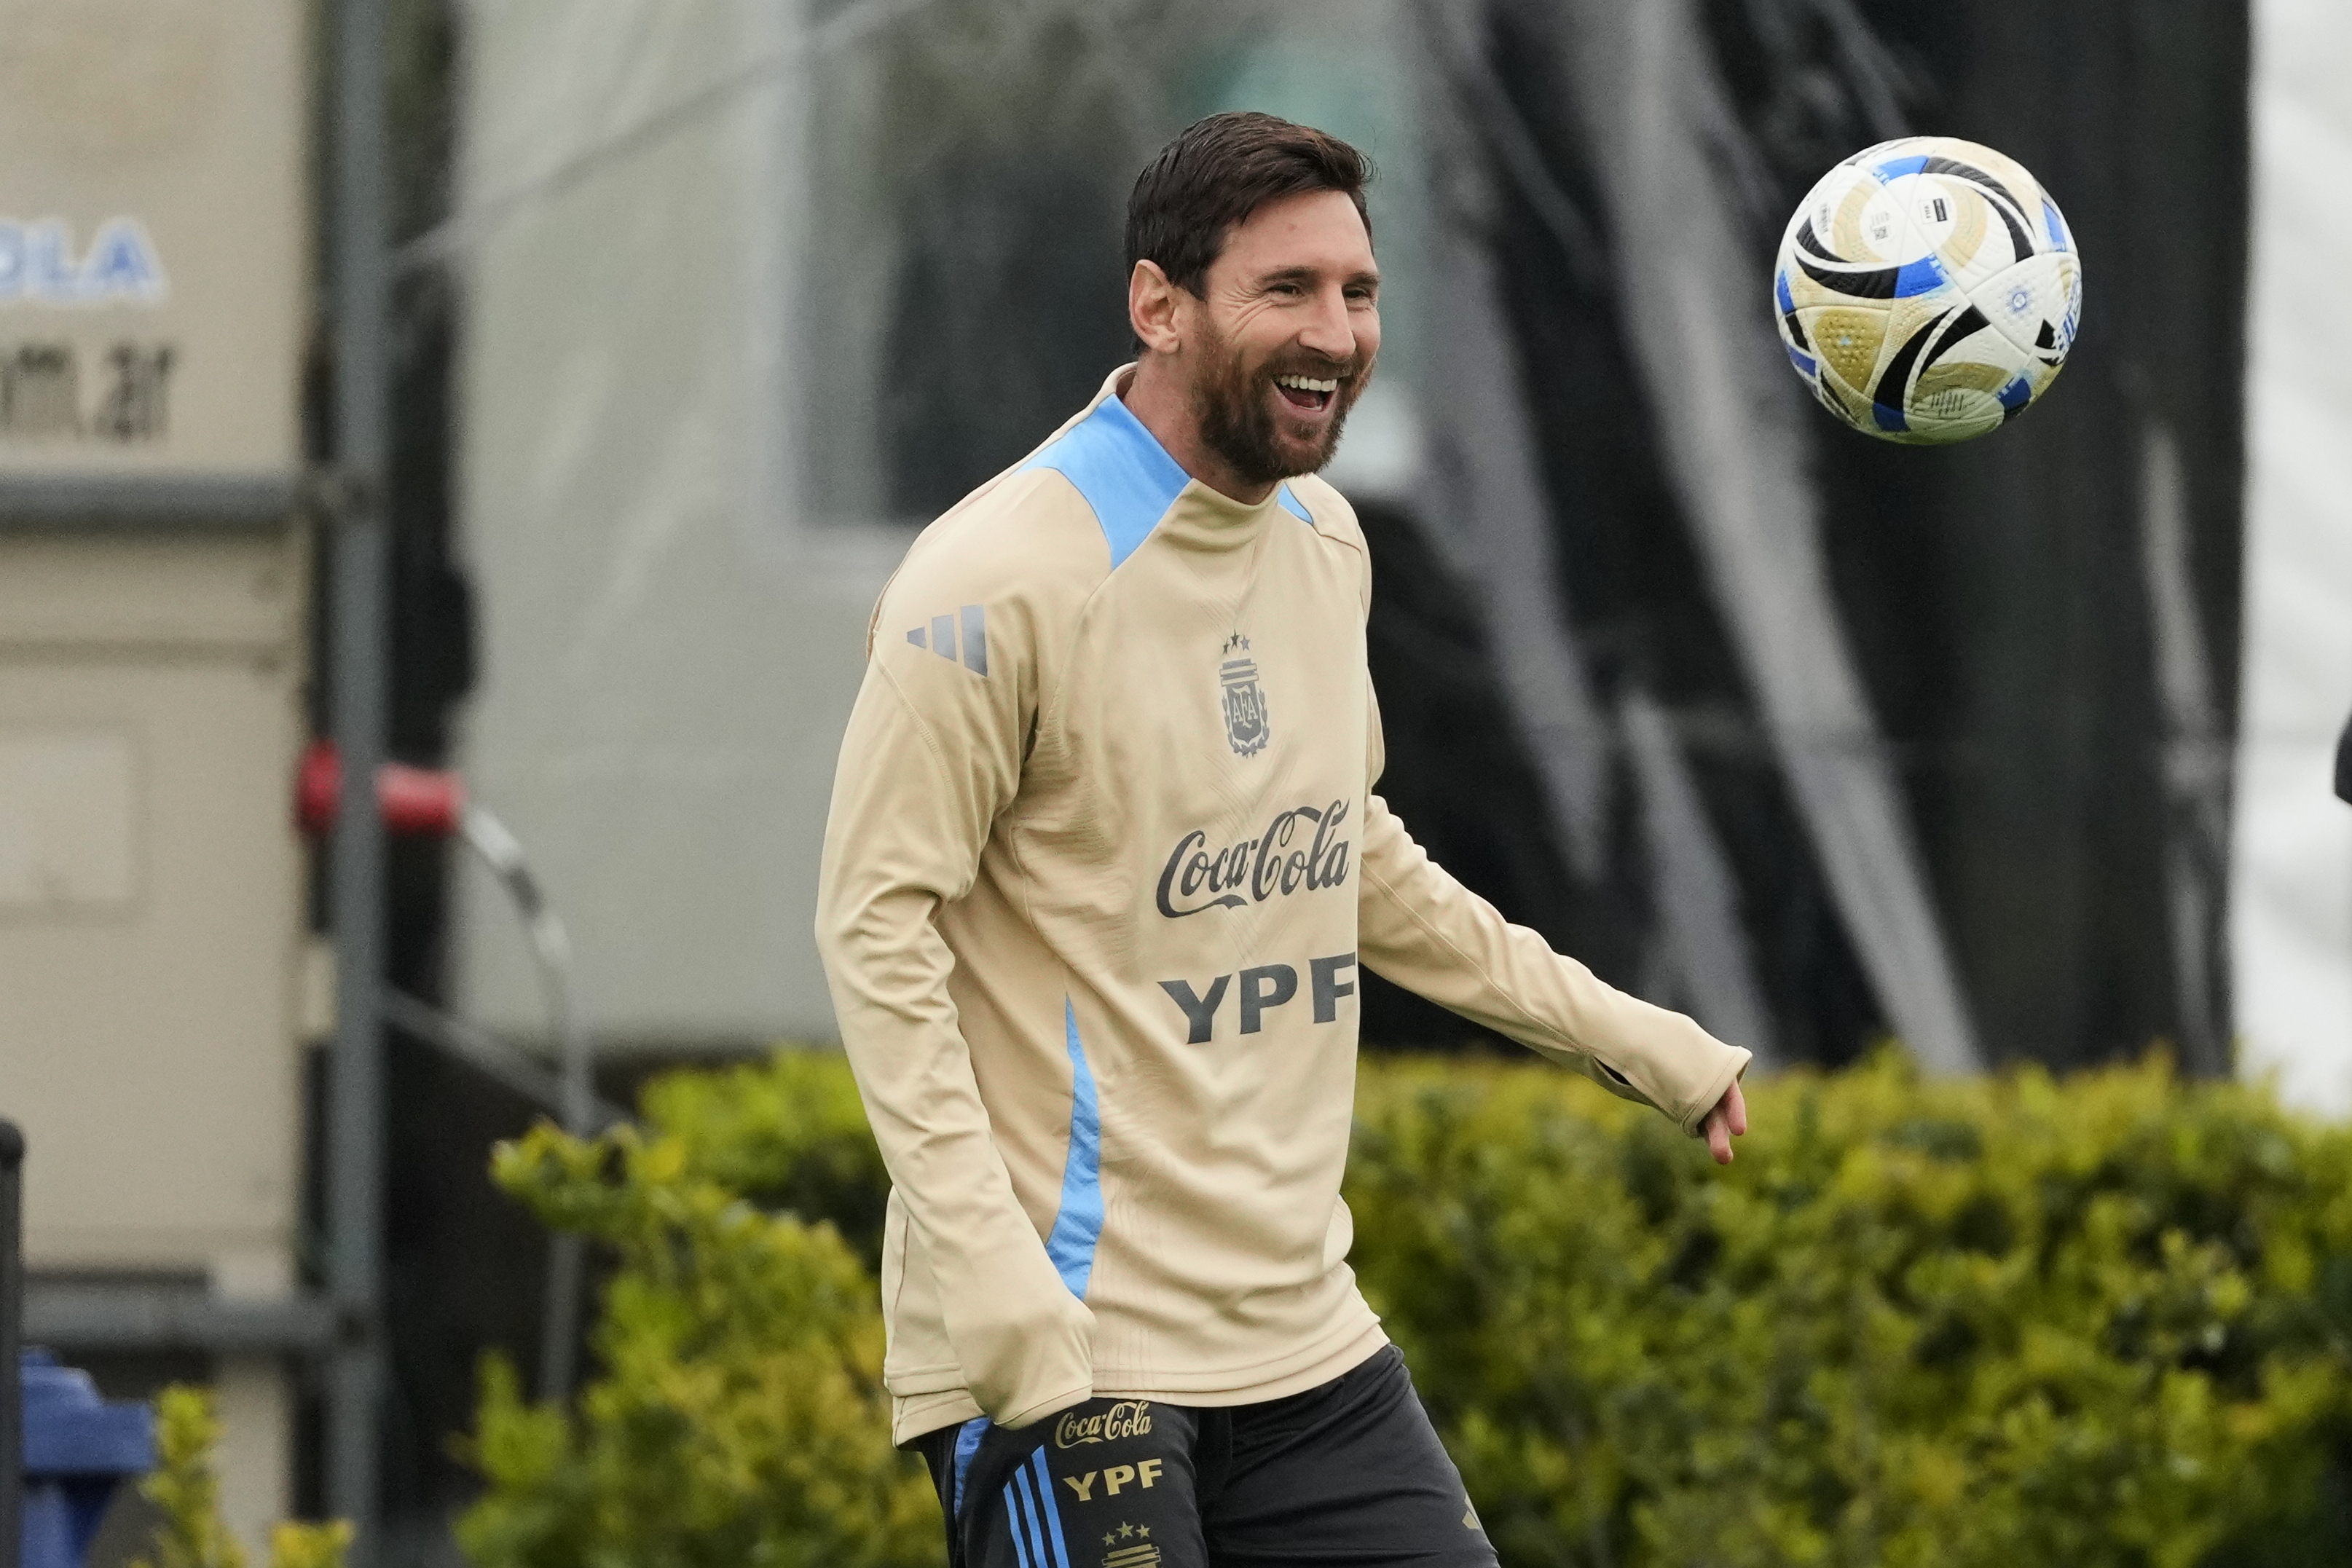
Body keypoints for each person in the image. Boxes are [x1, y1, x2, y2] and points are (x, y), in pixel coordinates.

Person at [816, 111, 1751, 1568]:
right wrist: (991, 1277)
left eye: (1358, 294)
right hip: (1073, 1350)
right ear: (1159, 305)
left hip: (1304, 1343)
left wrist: (1624, 1033)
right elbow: (875, 931)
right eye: (1287, 292)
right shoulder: (994, 577)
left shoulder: (1324, 544)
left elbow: (1343, 854)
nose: (1335, 334)